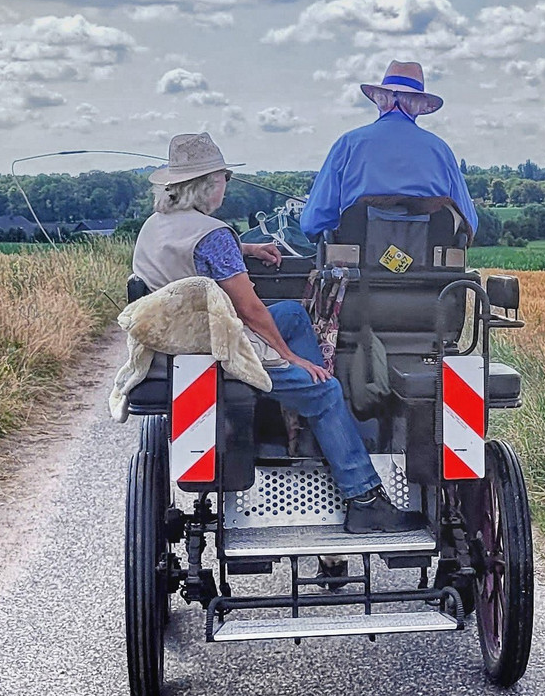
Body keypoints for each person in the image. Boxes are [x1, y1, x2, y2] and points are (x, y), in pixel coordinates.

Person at [131, 132, 421, 535]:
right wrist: (292, 358)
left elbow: (194, 262)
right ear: (211, 184)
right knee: (326, 389)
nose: (225, 185)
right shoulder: (213, 235)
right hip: (222, 345)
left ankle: (315, 423)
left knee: (291, 314)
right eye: (224, 178)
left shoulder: (155, 226)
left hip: (179, 342)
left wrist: (245, 250)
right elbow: (249, 311)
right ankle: (364, 498)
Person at [300, 60, 481, 240]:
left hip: (356, 264)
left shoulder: (348, 144)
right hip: (428, 266)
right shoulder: (441, 151)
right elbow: (469, 222)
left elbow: (313, 223)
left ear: (380, 99)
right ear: (419, 105)